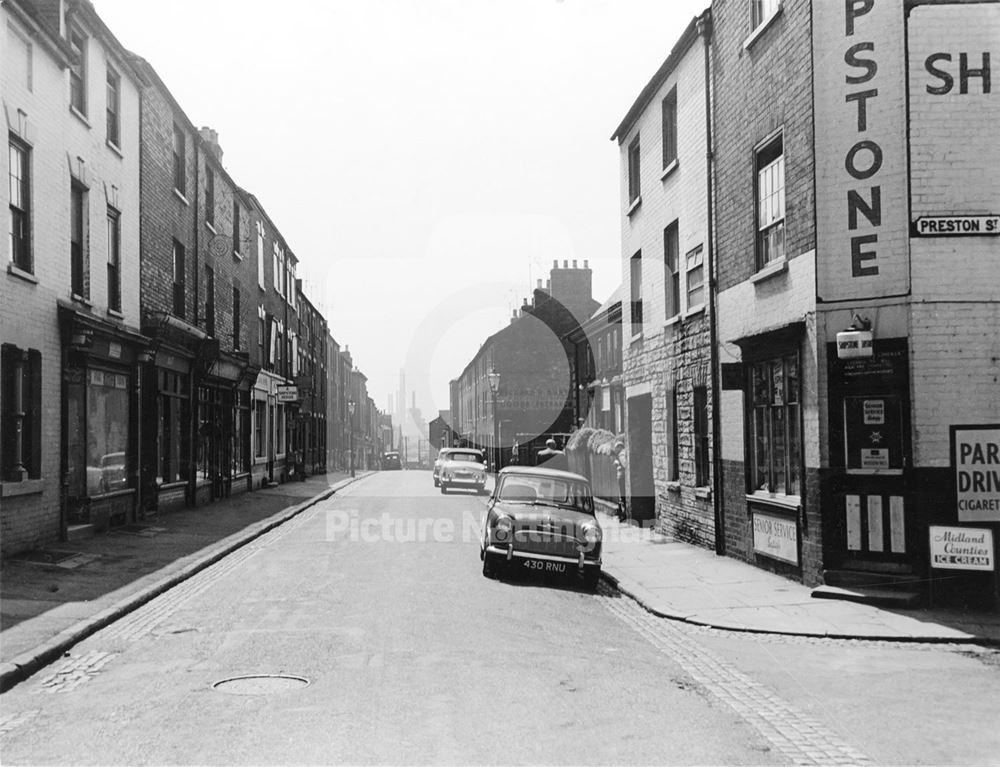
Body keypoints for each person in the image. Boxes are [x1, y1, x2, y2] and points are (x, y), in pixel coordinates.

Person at [613, 440, 628, 523]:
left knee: (622, 496)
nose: (615, 450)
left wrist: (618, 463)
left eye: (616, 448)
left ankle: (623, 514)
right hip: (621, 477)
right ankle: (622, 513)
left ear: (620, 447)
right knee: (622, 496)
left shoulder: (621, 454)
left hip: (622, 477)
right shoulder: (621, 453)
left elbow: (625, 464)